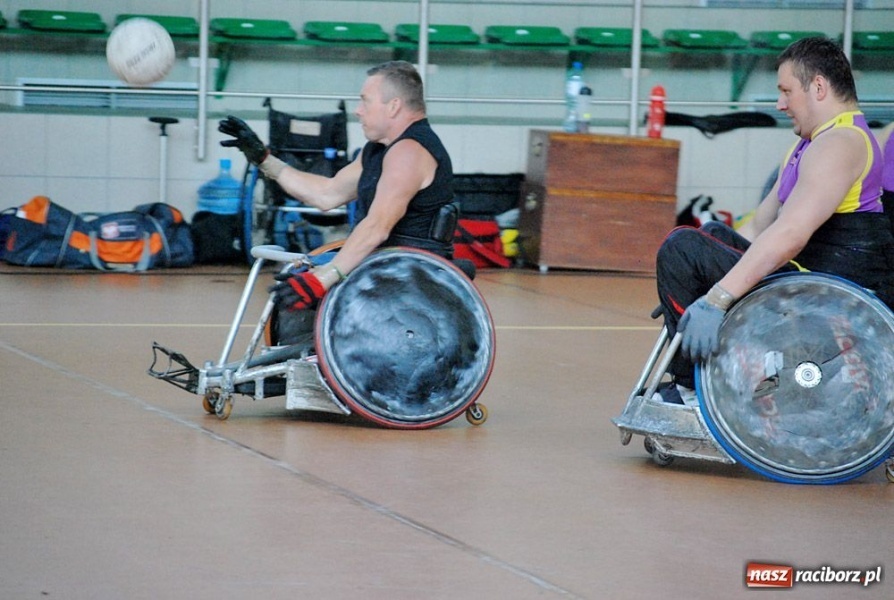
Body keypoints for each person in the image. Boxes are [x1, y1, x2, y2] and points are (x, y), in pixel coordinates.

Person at [654, 36, 894, 403]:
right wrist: (688, 283)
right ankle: (702, 380)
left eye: (786, 91)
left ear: (818, 86)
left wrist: (717, 296)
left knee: (681, 248)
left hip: (828, 299)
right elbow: (757, 228)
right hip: (808, 280)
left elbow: (792, 233)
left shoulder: (840, 143)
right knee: (709, 237)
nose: (781, 104)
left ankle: (696, 393)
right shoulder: (813, 142)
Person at [218, 60, 457, 313]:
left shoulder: (409, 151)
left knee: (306, 287)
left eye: (365, 101)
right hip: (385, 264)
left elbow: (377, 227)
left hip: (413, 275)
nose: (358, 110)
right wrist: (264, 160)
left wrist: (322, 278)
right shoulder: (377, 150)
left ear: (394, 105)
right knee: (295, 279)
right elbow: (326, 194)